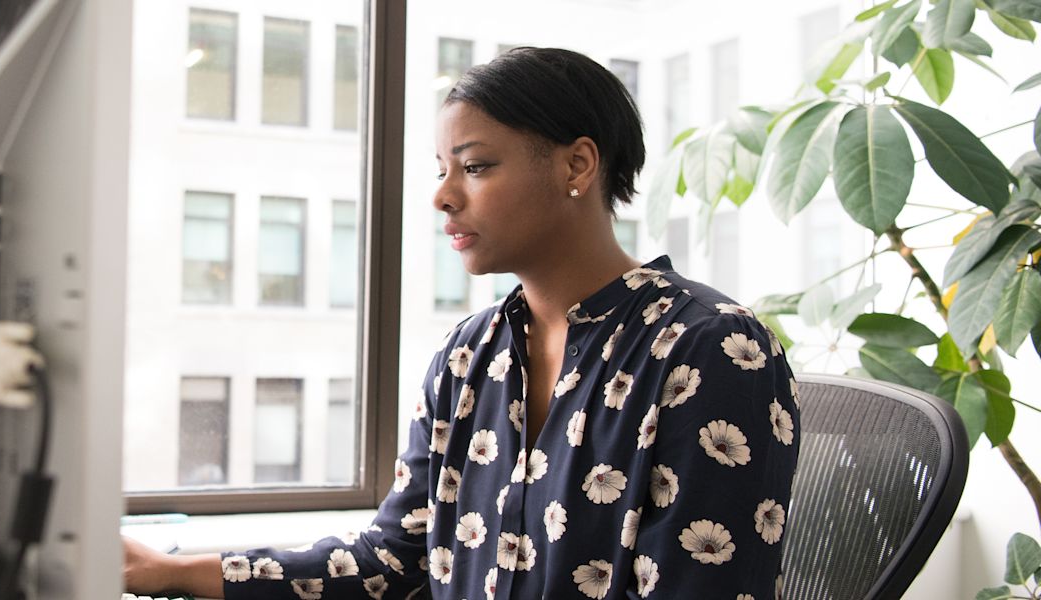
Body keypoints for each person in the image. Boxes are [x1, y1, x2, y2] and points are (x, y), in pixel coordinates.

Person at [123, 46, 800, 599]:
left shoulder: (712, 348)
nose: (443, 195)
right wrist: (173, 572)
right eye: (444, 169)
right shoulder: (470, 353)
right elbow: (392, 561)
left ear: (577, 164)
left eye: (475, 167)